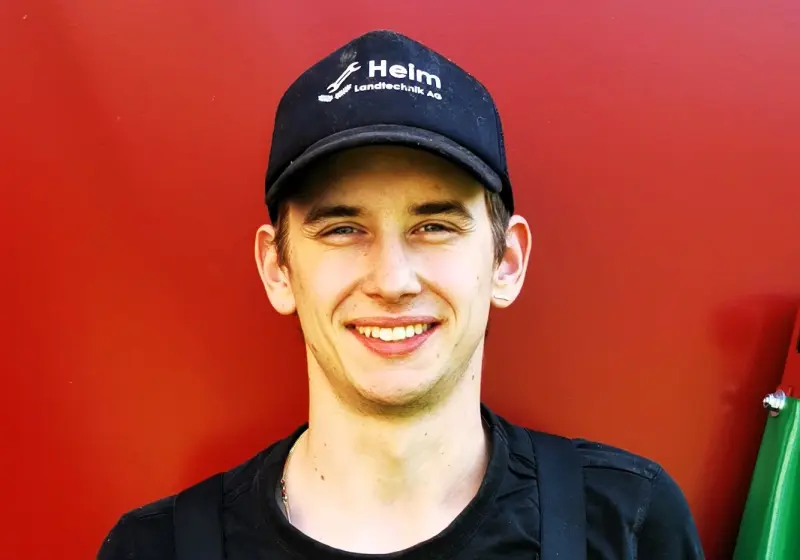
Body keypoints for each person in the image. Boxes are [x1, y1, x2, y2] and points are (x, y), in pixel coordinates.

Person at [98, 30, 704, 559]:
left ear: (506, 261)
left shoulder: (625, 525)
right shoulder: (155, 549)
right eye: (342, 229)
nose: (392, 281)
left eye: (434, 225)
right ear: (277, 268)